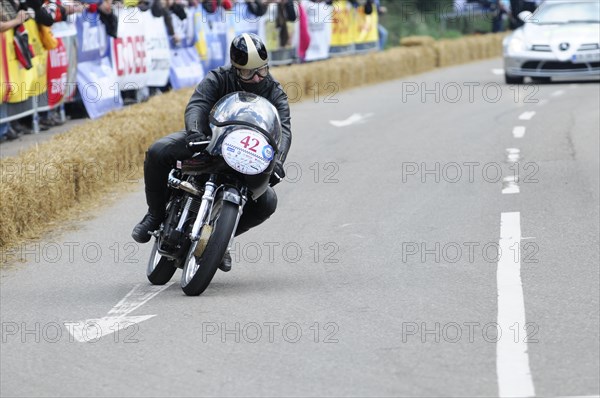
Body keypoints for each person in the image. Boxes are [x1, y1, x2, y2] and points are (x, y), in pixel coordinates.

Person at [131, 33, 292, 272]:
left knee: (267, 202)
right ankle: (154, 214)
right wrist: (196, 131)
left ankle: (221, 240)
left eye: (262, 70)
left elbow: (284, 129)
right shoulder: (218, 77)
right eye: (249, 73)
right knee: (157, 152)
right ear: (236, 69)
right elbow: (198, 103)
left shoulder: (274, 91)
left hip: (247, 155)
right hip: (210, 142)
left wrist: (277, 160)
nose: (257, 77)